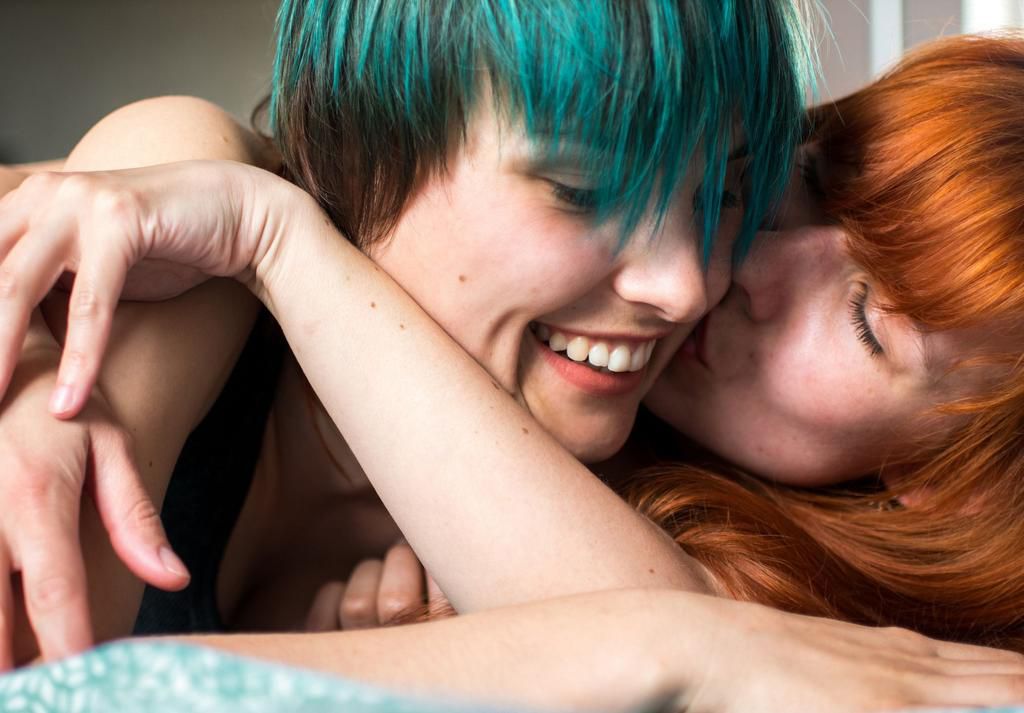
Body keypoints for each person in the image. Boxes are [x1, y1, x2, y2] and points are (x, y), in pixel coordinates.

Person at [2, 14, 1024, 710]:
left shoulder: (664, 533)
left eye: (864, 321)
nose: (701, 278)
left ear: (944, 487)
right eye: (783, 187)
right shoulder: (187, 218)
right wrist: (265, 235)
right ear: (370, 136)